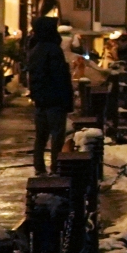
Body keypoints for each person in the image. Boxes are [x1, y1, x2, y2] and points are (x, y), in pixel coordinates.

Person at [25, 15, 74, 173]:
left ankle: (39, 166)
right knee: (57, 135)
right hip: (55, 99)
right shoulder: (53, 49)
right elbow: (60, 77)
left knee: (41, 136)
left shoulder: (34, 49)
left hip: (40, 100)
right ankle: (56, 166)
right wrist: (67, 99)